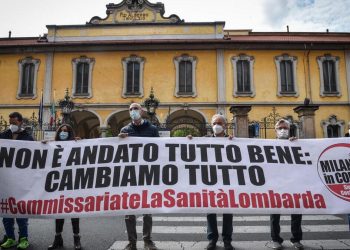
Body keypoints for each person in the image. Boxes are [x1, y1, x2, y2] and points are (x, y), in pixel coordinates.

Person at [188, 114, 234, 250]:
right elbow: (192, 150)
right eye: (214, 123)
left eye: (219, 123)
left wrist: (234, 142)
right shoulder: (204, 140)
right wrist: (189, 140)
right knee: (210, 211)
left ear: (225, 126)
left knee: (228, 211)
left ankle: (227, 240)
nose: (217, 126)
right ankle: (212, 239)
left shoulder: (232, 140)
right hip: (209, 180)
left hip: (227, 180)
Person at [118, 103, 159, 250]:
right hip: (130, 175)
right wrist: (119, 141)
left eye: (136, 108)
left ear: (142, 111)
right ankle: (132, 241)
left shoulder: (152, 130)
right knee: (129, 211)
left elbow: (160, 150)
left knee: (147, 211)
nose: (133, 111)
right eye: (130, 109)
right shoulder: (125, 130)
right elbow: (120, 153)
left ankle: (147, 240)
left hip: (147, 174)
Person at [45, 124, 82, 250]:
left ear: (70, 133)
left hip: (72, 183)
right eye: (61, 131)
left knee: (74, 212)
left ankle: (77, 239)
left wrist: (81, 144)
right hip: (58, 184)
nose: (63, 133)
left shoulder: (76, 143)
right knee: (58, 212)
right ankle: (57, 238)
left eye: (66, 131)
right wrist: (42, 145)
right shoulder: (53, 144)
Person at [268, 119, 303, 250]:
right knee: (274, 214)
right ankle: (275, 239)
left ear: (289, 129)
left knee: (296, 212)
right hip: (276, 184)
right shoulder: (267, 144)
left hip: (294, 183)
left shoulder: (295, 143)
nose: (282, 130)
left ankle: (296, 239)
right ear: (275, 130)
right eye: (280, 128)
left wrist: (297, 143)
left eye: (285, 128)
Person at [0, 112, 32, 250]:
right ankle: (10, 238)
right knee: (6, 211)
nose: (11, 125)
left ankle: (23, 238)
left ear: (20, 122)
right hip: (5, 180)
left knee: (20, 212)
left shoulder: (28, 137)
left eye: (13, 122)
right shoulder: (4, 135)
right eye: (10, 122)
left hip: (21, 181)